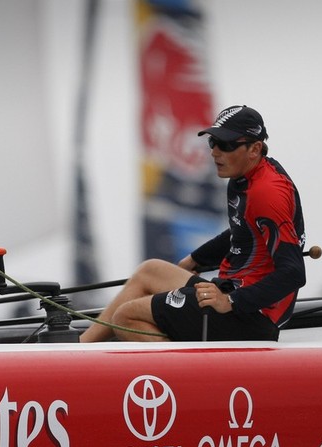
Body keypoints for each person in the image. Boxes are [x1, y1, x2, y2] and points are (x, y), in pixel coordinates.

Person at [79, 105, 306, 343]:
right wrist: (196, 259)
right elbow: (243, 232)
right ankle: (77, 352)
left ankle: (185, 376)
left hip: (250, 316)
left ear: (255, 148)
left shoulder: (267, 192)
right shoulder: (243, 176)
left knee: (125, 317)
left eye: (226, 145)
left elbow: (293, 273)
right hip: (228, 292)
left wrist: (230, 301)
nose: (215, 152)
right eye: (213, 143)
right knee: (150, 270)